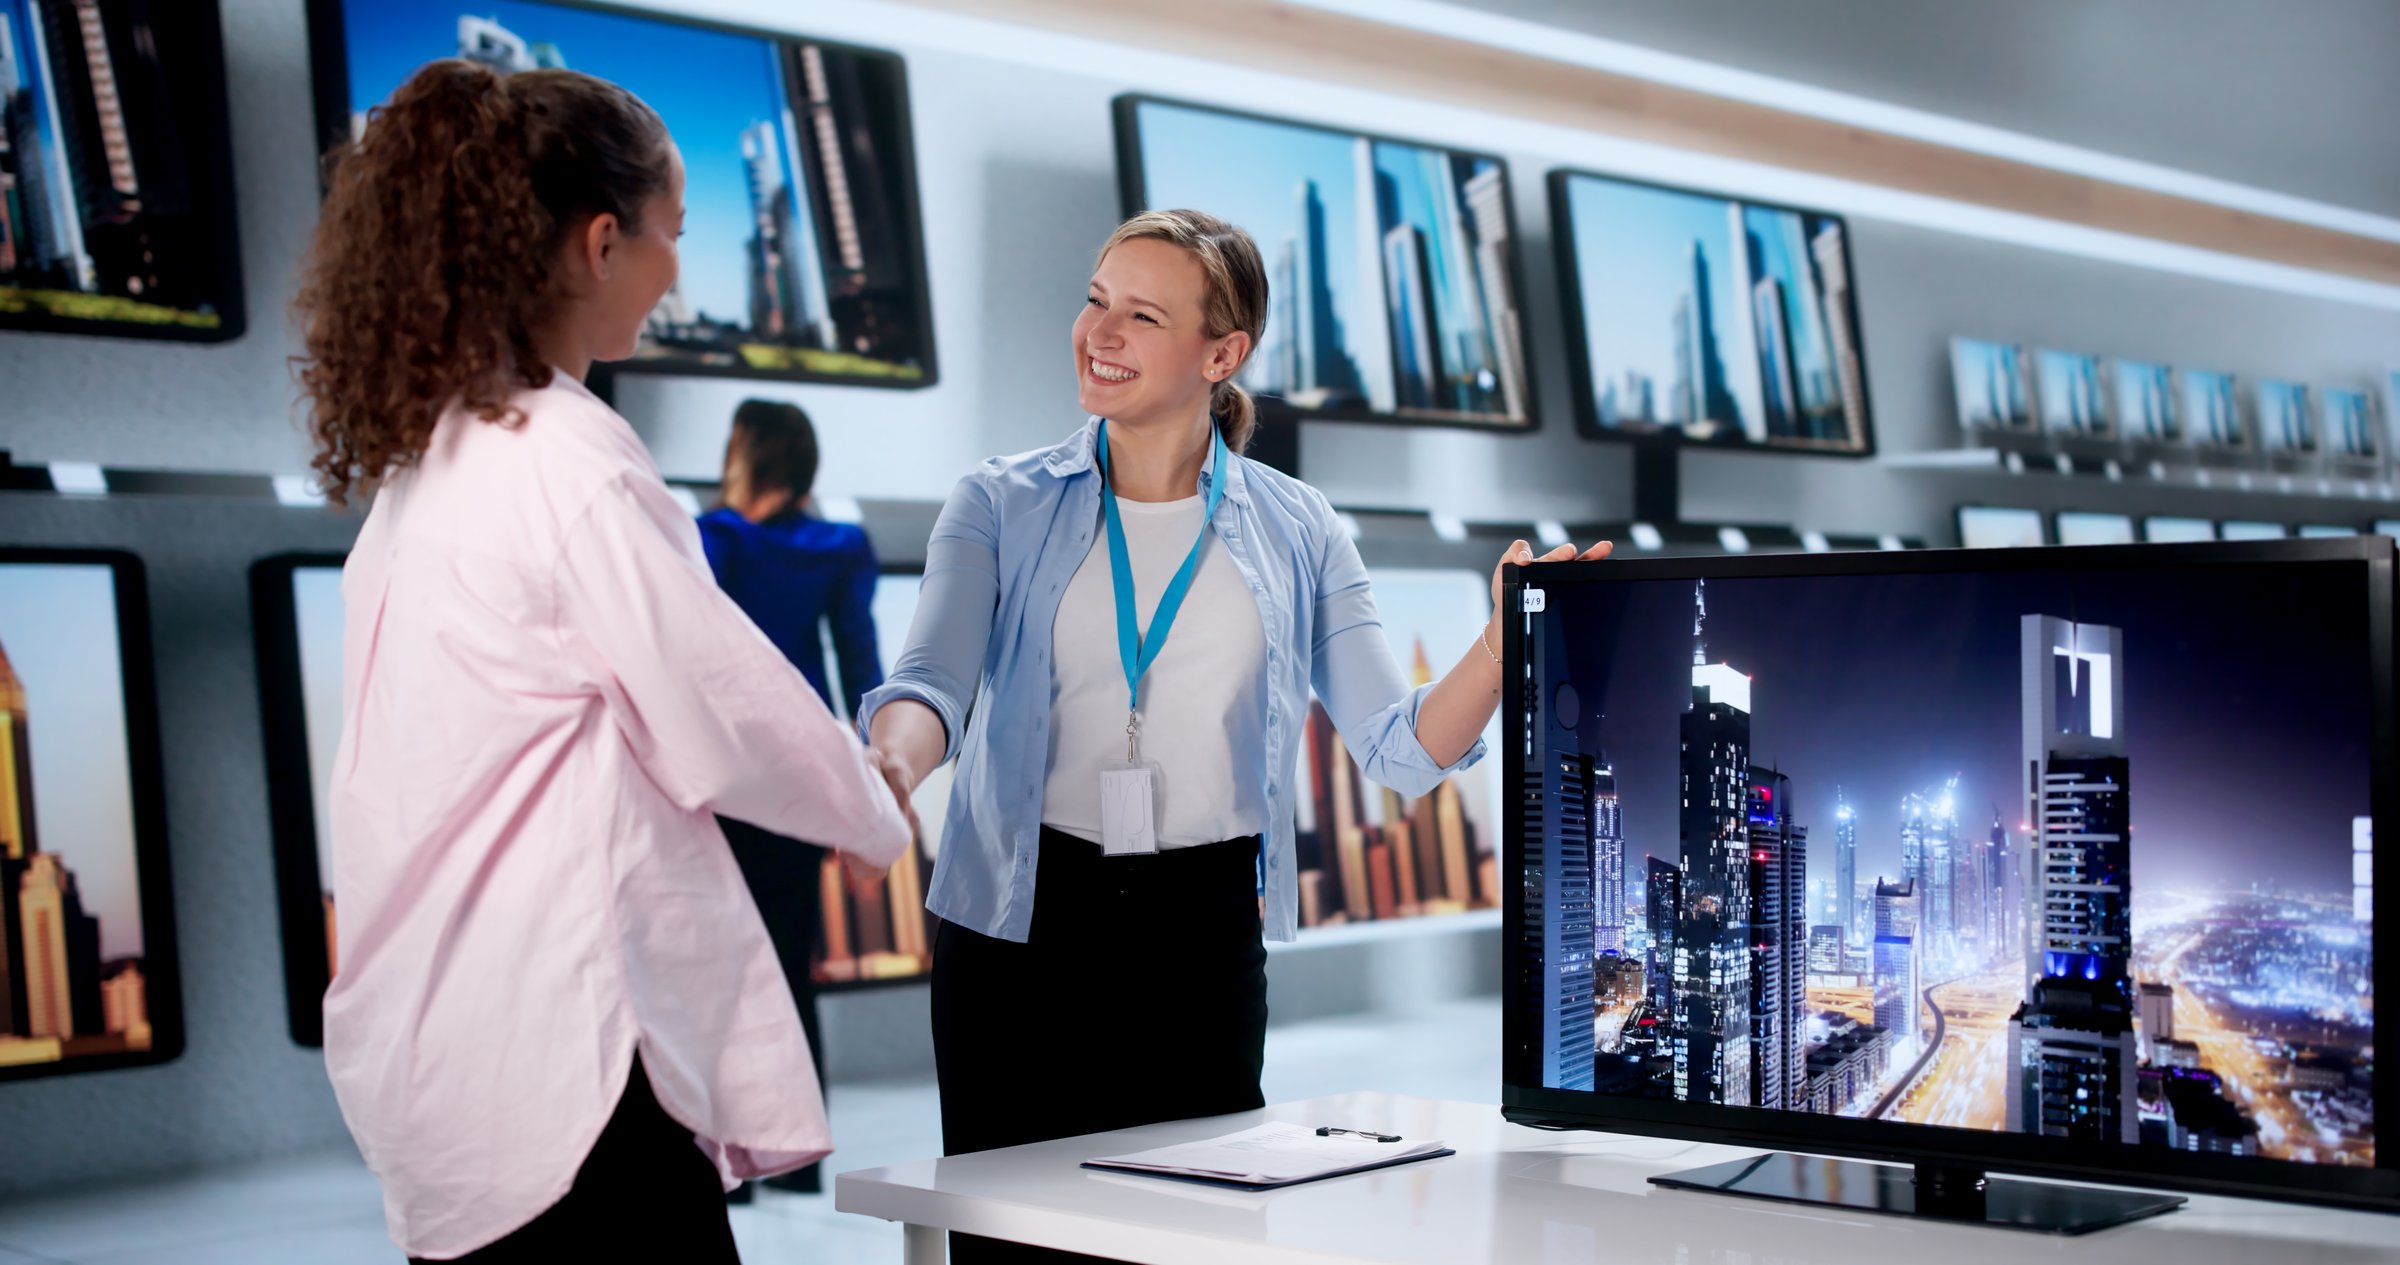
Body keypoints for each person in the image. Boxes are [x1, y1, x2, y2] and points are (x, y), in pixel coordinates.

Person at [857, 209, 1608, 1264]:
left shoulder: (1301, 527)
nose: (1099, 332)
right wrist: (893, 758)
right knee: (1015, 1246)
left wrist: (1499, 641)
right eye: (1095, 299)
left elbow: (1398, 747)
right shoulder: (999, 499)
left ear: (1222, 354)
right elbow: (929, 681)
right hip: (1019, 931)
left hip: (1199, 935)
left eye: (1142, 314)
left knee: (1188, 1241)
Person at [291, 59, 911, 1263]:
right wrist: (872, 804)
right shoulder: (571, 458)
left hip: (444, 1052)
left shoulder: (428, 466)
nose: (681, 266)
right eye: (672, 234)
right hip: (563, 1056)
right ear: (599, 243)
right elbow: (719, 710)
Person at [696, 399, 884, 1198]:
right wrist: (875, 784)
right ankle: (800, 1160)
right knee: (787, 962)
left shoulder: (715, 539)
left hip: (722, 776)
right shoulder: (842, 546)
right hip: (798, 780)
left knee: (711, 971)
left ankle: (729, 1169)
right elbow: (861, 668)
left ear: (745, 452)